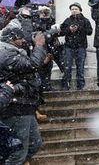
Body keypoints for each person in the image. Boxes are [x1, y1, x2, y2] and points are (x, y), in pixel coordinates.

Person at [0, 27, 47, 165]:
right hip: (15, 108)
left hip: (25, 105)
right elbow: (32, 65)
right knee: (17, 153)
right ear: (12, 39)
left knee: (35, 144)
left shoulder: (14, 51)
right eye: (20, 38)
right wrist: (38, 45)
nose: (23, 41)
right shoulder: (5, 52)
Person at [59, 2, 93, 90]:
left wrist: (79, 28)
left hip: (81, 46)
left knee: (80, 67)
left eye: (75, 9)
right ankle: (66, 85)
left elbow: (90, 32)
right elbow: (61, 32)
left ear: (80, 10)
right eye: (72, 9)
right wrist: (69, 29)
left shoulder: (85, 20)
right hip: (69, 47)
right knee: (67, 67)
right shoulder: (67, 20)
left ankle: (80, 86)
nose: (74, 11)